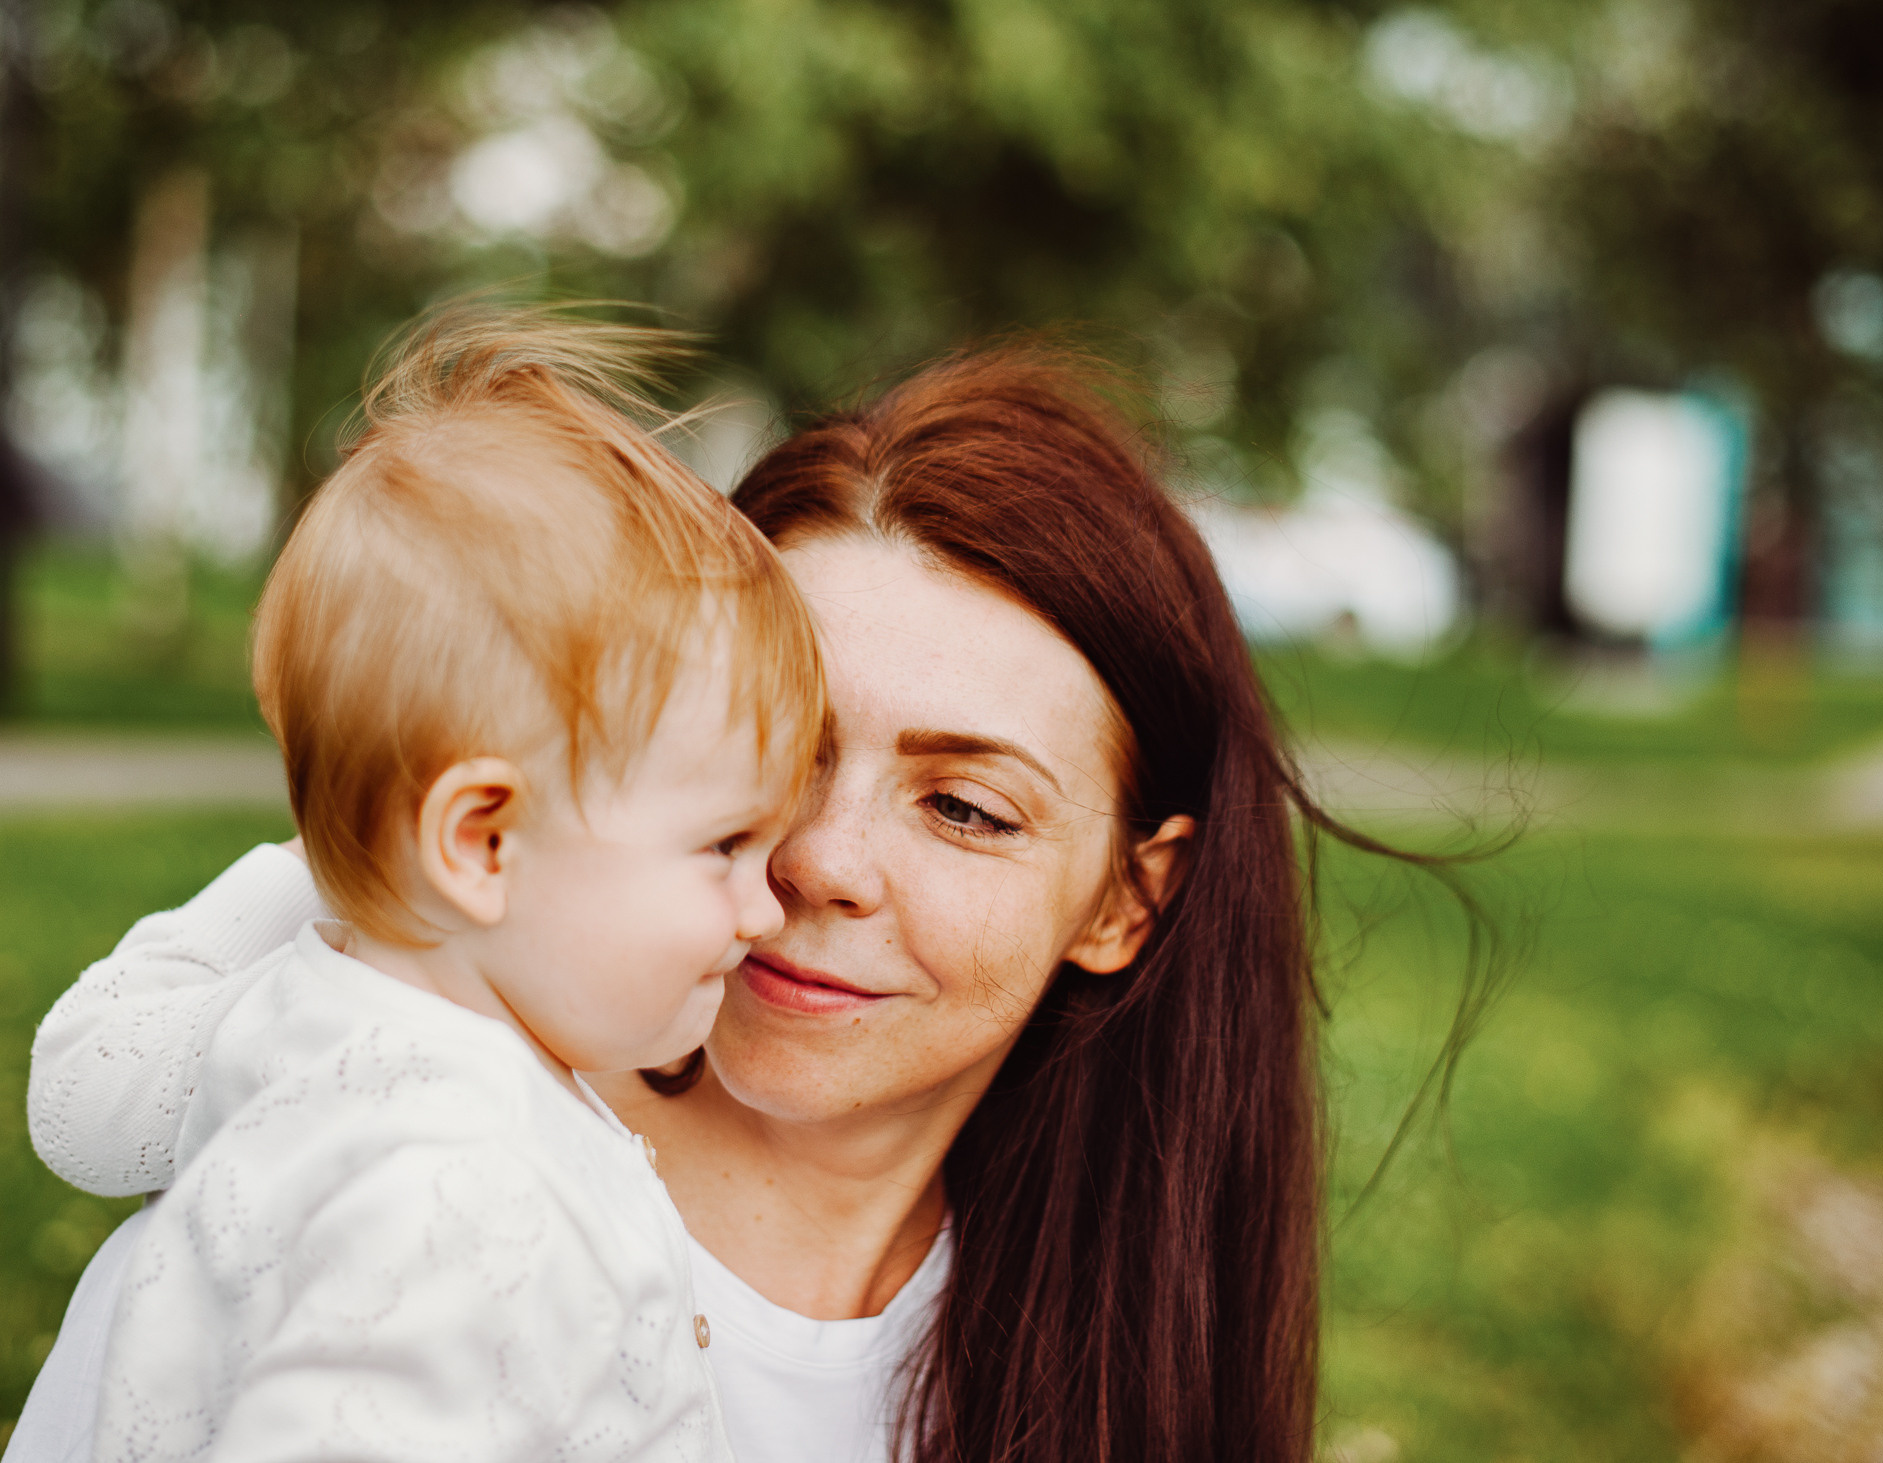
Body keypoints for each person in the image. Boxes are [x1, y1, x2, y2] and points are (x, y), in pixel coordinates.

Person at [20, 344, 1444, 1463]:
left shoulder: (1100, 1349)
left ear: (1127, 901)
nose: (813, 861)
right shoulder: (396, 1169)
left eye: (964, 805)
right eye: (768, 766)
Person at [27, 312, 826, 1463]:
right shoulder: (450, 1173)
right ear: (479, 844)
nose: (766, 905)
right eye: (724, 845)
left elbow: (89, 1092)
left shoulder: (330, 1035)